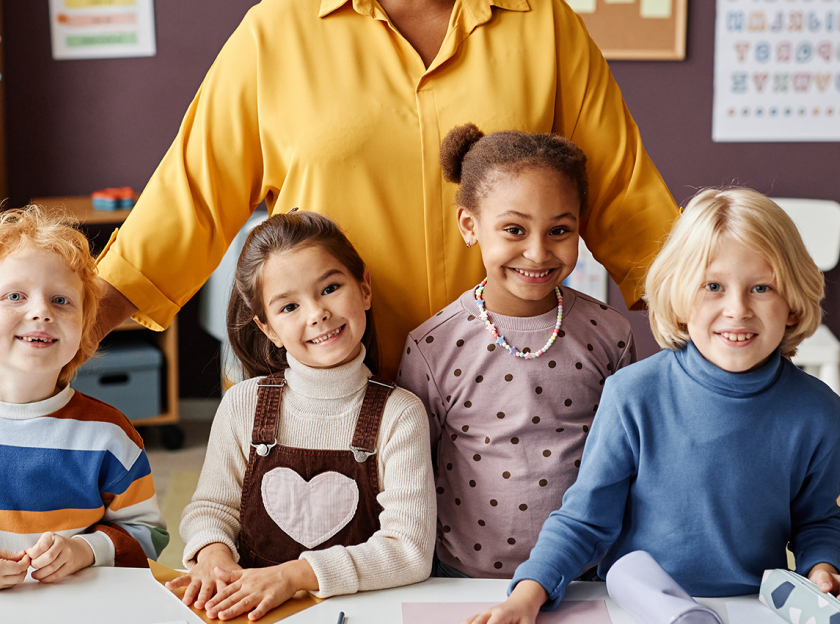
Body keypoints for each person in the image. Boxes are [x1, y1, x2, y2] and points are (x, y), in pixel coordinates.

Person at [93, 0, 678, 377]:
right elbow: (190, 197)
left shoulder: (544, 26)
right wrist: (71, 331)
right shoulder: (276, 29)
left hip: (507, 396)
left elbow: (624, 200)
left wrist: (719, 317)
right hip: (333, 392)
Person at [466, 188, 840, 624]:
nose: (737, 309)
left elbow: (816, 520)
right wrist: (525, 598)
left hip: (748, 610)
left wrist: (822, 569)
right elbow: (585, 520)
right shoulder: (634, 394)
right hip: (634, 608)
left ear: (792, 306)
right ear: (680, 300)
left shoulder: (818, 411)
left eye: (761, 288)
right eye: (713, 287)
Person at [166, 211, 434, 622]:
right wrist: (213, 558)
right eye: (289, 306)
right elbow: (211, 508)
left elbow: (408, 550)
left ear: (364, 289)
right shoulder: (243, 403)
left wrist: (293, 577)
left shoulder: (400, 414)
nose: (316, 313)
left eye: (330, 288)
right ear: (268, 328)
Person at [397, 124, 635, 579]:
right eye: (513, 229)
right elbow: (412, 472)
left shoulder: (611, 333)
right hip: (463, 575)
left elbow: (625, 460)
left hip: (582, 574)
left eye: (559, 230)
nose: (537, 251)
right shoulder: (433, 345)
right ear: (470, 225)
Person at [0, 206, 167, 591]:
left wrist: (86, 549)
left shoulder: (110, 436)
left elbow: (149, 537)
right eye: (15, 296)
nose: (41, 311)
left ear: (83, 330)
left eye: (61, 301)